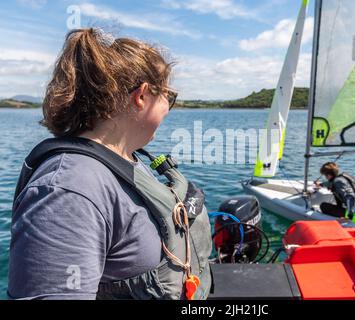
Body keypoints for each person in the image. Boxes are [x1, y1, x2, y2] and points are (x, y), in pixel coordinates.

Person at [8, 28, 212, 300]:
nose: (168, 107)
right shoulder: (68, 192)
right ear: (141, 96)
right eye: (168, 97)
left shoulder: (125, 160)